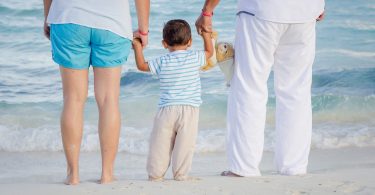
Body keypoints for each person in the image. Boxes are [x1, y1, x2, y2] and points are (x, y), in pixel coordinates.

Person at [196, 0, 325, 176]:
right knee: (296, 90)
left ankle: (244, 167)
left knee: (249, 86)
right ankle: (294, 166)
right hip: (305, 12)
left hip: (261, 11)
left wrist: (207, 11)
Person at [43, 0, 149, 185]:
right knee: (109, 100)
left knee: (73, 99)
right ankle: (107, 174)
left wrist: (48, 17)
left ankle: (73, 174)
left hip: (68, 18)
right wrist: (143, 30)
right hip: (113, 23)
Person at [132, 19, 213, 181]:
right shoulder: (195, 57)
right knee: (185, 144)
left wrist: (137, 46)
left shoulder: (161, 61)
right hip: (189, 109)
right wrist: (206, 35)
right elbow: (210, 53)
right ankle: (181, 174)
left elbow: (141, 65)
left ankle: (155, 174)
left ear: (164, 43)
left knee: (160, 143)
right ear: (189, 42)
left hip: (166, 109)